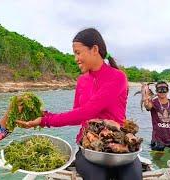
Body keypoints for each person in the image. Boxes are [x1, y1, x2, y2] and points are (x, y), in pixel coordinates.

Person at [17, 28, 142, 180]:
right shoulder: (82, 80)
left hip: (120, 146)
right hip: (88, 147)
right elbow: (78, 115)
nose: (75, 58)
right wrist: (42, 114)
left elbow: (88, 111)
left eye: (78, 52)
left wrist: (45, 120)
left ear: (94, 49)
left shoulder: (117, 77)